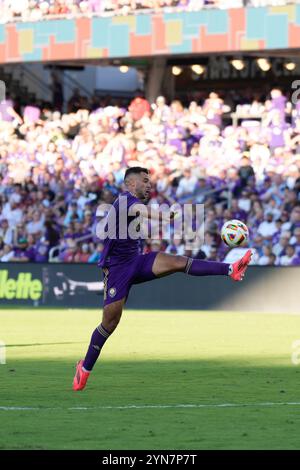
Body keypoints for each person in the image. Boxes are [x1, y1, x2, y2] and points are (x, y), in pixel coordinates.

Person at [73, 167, 253, 391]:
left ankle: (231, 269)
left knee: (178, 261)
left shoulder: (134, 205)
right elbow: (143, 211)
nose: (149, 185)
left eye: (150, 181)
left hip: (137, 261)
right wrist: (166, 215)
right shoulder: (124, 201)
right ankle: (85, 368)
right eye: (145, 181)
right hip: (117, 269)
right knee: (110, 323)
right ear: (131, 184)